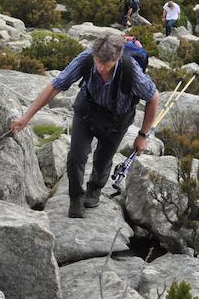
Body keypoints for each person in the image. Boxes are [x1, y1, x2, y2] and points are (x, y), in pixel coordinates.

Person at [11, 33, 160, 218]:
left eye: (105, 64)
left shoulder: (132, 71)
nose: (99, 68)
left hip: (118, 119)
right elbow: (55, 85)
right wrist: (27, 117)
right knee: (76, 156)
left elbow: (153, 99)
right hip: (87, 111)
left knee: (103, 159)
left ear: (117, 58)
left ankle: (95, 188)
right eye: (97, 61)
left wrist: (143, 135)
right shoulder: (86, 59)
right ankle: (75, 197)